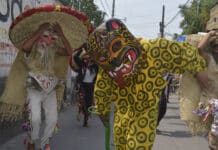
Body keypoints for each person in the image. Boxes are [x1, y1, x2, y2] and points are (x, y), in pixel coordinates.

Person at [73, 18, 208, 149]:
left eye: (116, 46)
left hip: (145, 115)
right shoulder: (106, 72)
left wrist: (208, 86)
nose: (113, 59)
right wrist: (105, 116)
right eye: (104, 57)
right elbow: (101, 99)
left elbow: (188, 56)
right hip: (122, 120)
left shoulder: (155, 49)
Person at [0, 5, 93, 150]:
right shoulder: (33, 46)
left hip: (50, 90)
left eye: (52, 38)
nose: (48, 41)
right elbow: (24, 47)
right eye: (45, 36)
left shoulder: (55, 49)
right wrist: (39, 31)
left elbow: (69, 52)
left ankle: (44, 144)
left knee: (52, 120)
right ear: (38, 36)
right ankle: (31, 141)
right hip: (33, 89)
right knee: (35, 119)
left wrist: (61, 34)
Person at [180, 30, 218, 150]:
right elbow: (199, 48)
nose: (217, 49)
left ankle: (213, 141)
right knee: (214, 128)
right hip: (209, 100)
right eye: (215, 46)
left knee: (214, 129)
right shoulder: (208, 58)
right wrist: (210, 34)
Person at [70, 45, 99, 127]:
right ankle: (82, 112)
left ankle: (86, 120)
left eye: (88, 58)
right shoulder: (81, 65)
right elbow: (75, 57)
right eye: (85, 58)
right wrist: (82, 48)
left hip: (91, 86)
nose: (86, 60)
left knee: (89, 103)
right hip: (82, 85)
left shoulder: (95, 67)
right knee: (82, 102)